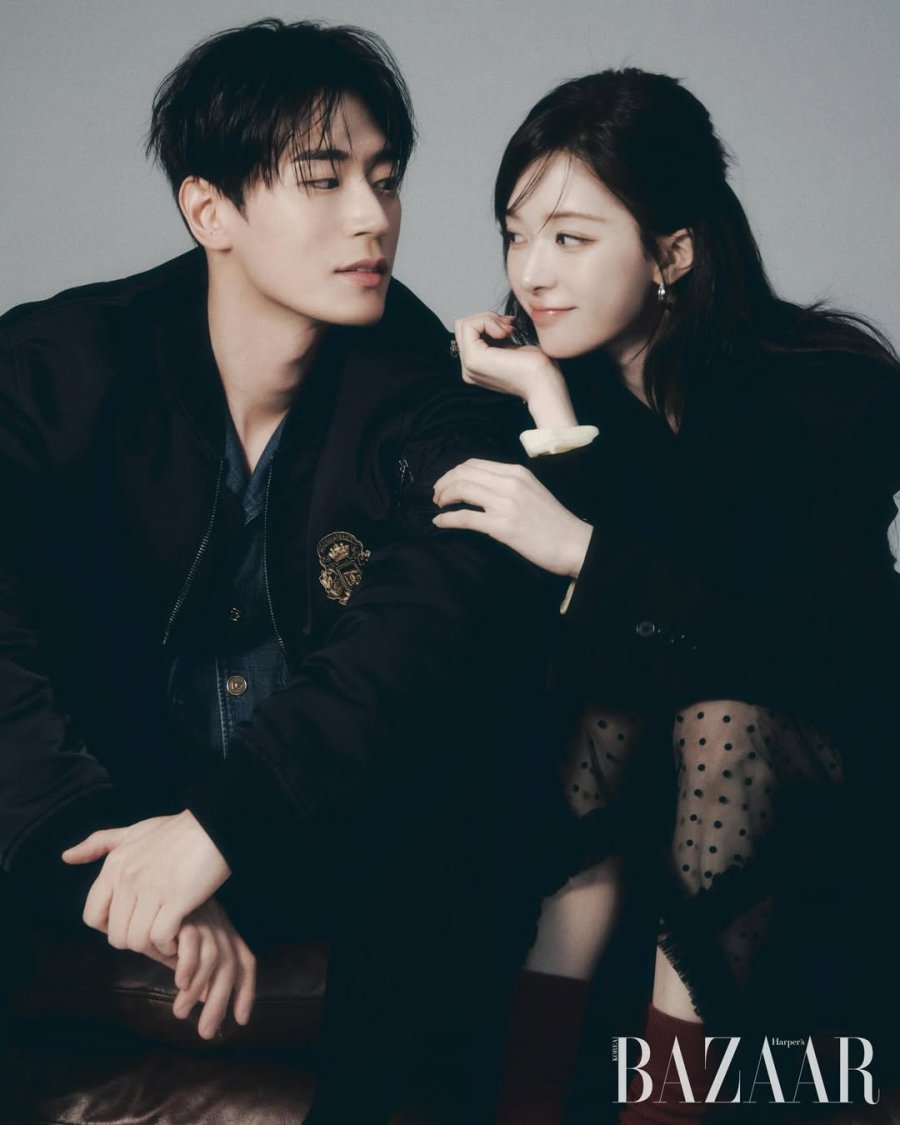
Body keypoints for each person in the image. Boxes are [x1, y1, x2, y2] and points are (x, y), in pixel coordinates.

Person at [0, 19, 540, 1123]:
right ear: (210, 211)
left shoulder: (429, 391)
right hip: (97, 810)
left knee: (460, 808)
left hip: (313, 828)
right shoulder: (59, 366)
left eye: (385, 178)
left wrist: (220, 829)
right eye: (323, 179)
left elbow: (432, 625)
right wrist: (116, 865)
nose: (372, 217)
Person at [433, 68, 900, 1124]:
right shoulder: (533, 397)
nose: (531, 272)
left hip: (819, 791)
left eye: (570, 237)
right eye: (516, 235)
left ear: (672, 253)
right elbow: (553, 658)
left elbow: (815, 654)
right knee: (606, 705)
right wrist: (549, 407)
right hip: (623, 813)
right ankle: (530, 1098)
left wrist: (588, 554)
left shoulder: (829, 391)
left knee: (721, 715)